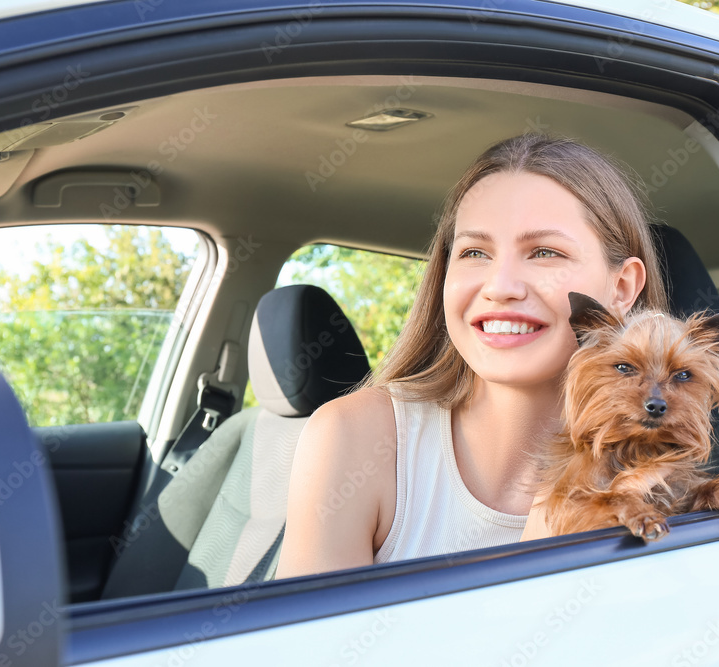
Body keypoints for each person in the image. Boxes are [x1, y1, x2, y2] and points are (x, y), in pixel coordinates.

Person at [275, 134, 668, 577]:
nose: (500, 286)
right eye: (474, 252)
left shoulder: (655, 476)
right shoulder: (353, 439)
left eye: (544, 252)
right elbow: (312, 648)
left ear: (622, 288)